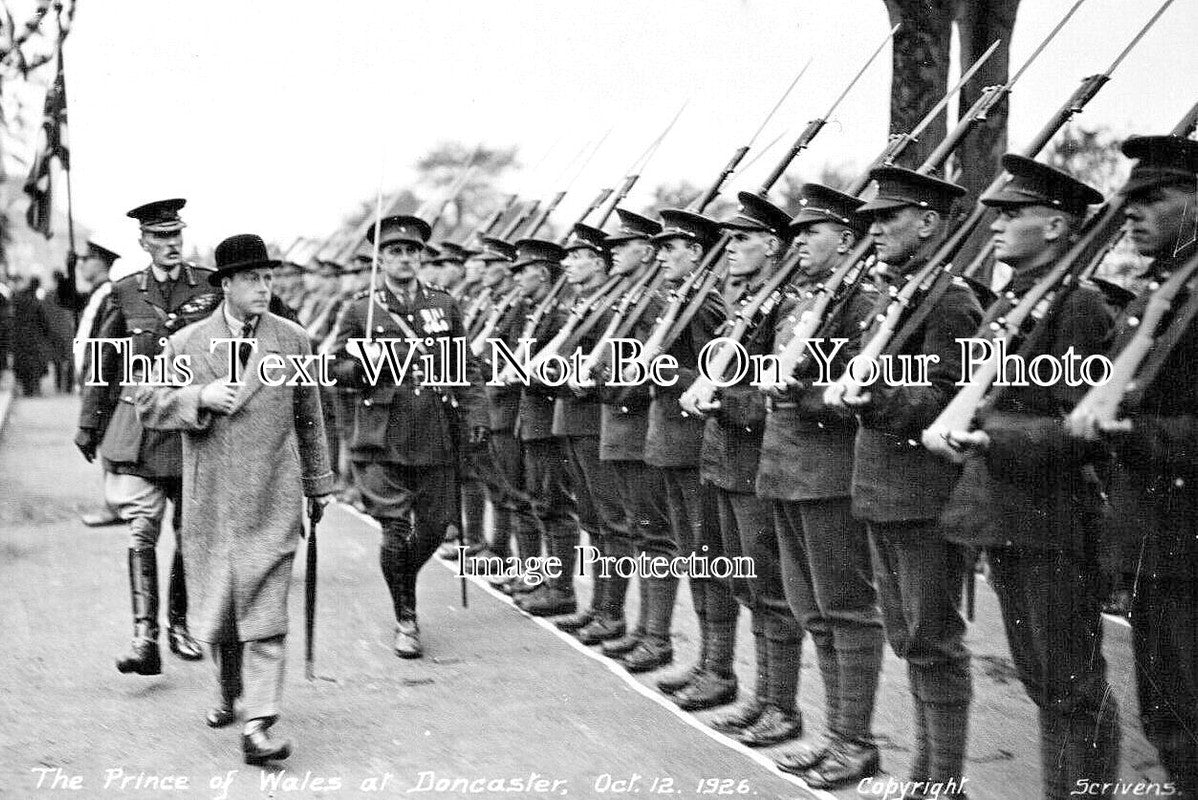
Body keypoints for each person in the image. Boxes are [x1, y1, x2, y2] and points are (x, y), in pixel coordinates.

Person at [937, 156, 1116, 800]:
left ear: (1059, 225)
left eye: (1014, 213)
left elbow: (1084, 426)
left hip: (1053, 519)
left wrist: (987, 429)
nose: (998, 224)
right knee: (1045, 681)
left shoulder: (1080, 309)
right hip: (1006, 514)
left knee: (1071, 685)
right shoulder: (1017, 301)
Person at [136, 233, 334, 765]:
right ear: (225, 284)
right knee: (222, 610)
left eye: (268, 278)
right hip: (213, 501)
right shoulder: (185, 345)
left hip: (273, 494)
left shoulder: (293, 340)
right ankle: (227, 691)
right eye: (251, 279)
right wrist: (197, 397)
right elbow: (147, 406)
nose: (263, 287)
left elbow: (309, 417)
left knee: (267, 612)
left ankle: (260, 723)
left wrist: (318, 484)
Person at [824, 167, 981, 798]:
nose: (876, 229)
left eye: (889, 218)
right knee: (910, 638)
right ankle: (926, 774)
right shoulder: (898, 296)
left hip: (924, 498)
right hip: (883, 491)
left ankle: (942, 781)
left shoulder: (951, 301)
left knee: (934, 639)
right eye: (873, 220)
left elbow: (952, 396)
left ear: (929, 224)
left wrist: (873, 398)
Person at [1067, 135, 1198, 800]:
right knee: (1169, 718)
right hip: (1153, 540)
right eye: (1130, 200)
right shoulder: (1160, 291)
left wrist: (1133, 433)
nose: (1134, 212)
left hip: (1186, 541)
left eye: (1155, 198)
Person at [760, 185, 885, 788]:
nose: (798, 240)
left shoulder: (862, 305)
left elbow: (860, 396)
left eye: (813, 231)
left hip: (829, 475)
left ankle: (855, 739)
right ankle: (837, 735)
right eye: (797, 232)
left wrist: (799, 393)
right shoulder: (801, 302)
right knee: (812, 610)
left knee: (846, 611)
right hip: (784, 470)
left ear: (847, 238)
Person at [330, 214, 486, 659]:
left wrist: (475, 412)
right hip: (382, 433)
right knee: (396, 528)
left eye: (411, 251)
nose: (404, 259)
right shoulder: (361, 310)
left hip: (435, 428)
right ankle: (406, 616)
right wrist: (364, 364)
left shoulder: (444, 304)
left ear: (421, 257)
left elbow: (467, 365)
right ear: (380, 259)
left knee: (435, 527)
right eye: (395, 252)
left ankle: (404, 579)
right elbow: (335, 369)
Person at [681, 192, 804, 747]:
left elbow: (773, 395)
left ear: (771, 245)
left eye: (741, 239)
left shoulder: (784, 306)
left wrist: (722, 403)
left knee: (768, 586)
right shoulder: (750, 300)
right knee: (738, 579)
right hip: (722, 460)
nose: (729, 248)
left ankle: (779, 704)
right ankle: (742, 685)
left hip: (754, 463)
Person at [75, 198, 214, 675]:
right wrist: (89, 423)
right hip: (142, 424)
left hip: (197, 424)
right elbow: (105, 360)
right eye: (160, 237)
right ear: (144, 243)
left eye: (176, 235)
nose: (170, 245)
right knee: (142, 526)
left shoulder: (212, 288)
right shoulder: (126, 292)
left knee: (189, 530)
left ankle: (179, 625)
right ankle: (144, 636)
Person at [632, 208, 736, 700]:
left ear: (696, 252)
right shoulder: (681, 302)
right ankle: (705, 664)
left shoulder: (707, 307)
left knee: (707, 558)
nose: (661, 256)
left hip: (693, 449)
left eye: (671, 248)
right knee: (692, 558)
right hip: (668, 447)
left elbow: (715, 379)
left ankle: (718, 669)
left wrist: (660, 370)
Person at [11, 274, 53, 396]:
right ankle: (35, 387)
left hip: (20, 337)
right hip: (34, 337)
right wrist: (47, 334)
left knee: (23, 364)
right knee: (35, 364)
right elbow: (43, 321)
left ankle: (27, 389)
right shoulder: (36, 301)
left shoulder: (19, 298)